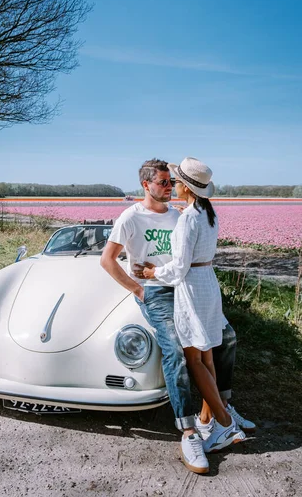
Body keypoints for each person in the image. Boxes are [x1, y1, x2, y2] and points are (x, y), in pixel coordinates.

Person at [101, 158, 255, 475]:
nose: (169, 187)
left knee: (224, 337)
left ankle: (219, 408)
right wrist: (139, 289)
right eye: (163, 182)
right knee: (175, 348)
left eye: (172, 182)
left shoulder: (179, 215)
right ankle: (188, 431)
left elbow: (189, 256)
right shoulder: (130, 217)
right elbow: (108, 260)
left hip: (182, 287)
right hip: (154, 291)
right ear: (146, 185)